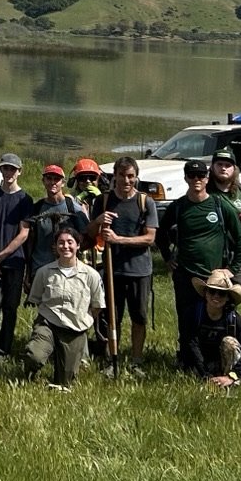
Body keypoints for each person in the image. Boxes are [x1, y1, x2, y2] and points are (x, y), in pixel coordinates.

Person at [156, 160, 241, 374]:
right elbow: (160, 234)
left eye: (201, 176)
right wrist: (168, 257)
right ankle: (187, 360)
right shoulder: (178, 206)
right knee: (186, 319)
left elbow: (240, 238)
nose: (197, 179)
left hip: (214, 278)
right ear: (186, 178)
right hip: (186, 275)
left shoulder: (219, 204)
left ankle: (221, 358)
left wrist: (232, 268)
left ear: (207, 179)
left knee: (219, 318)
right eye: (192, 175)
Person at [89, 157, 159, 373]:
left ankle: (136, 361)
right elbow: (90, 235)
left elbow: (149, 239)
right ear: (115, 176)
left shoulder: (145, 202)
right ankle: (113, 359)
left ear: (136, 177)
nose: (126, 180)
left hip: (139, 270)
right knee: (112, 317)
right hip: (112, 270)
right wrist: (99, 221)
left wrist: (119, 240)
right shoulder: (103, 201)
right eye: (122, 175)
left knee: (139, 317)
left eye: (130, 176)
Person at [20, 229, 106, 390]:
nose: (65, 246)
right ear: (55, 247)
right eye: (61, 242)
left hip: (75, 329)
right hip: (48, 324)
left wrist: (82, 321)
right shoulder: (44, 272)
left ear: (78, 246)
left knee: (65, 382)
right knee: (34, 356)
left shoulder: (91, 275)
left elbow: (96, 306)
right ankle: (30, 372)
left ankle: (63, 364)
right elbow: (37, 299)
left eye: (70, 242)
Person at [0, 154, 36, 359]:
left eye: (13, 169)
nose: (9, 173)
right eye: (5, 168)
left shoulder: (25, 199)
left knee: (10, 309)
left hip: (14, 261)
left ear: (19, 171)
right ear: (1, 170)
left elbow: (24, 234)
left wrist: (0, 257)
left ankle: (4, 350)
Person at [189, 268, 241, 387]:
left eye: (222, 293)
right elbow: (192, 345)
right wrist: (205, 374)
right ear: (205, 293)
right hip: (203, 364)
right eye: (212, 291)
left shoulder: (234, 319)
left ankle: (229, 381)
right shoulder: (195, 315)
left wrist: (232, 376)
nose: (216, 296)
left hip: (228, 365)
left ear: (228, 297)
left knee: (229, 343)